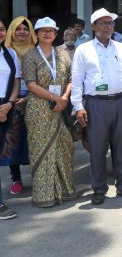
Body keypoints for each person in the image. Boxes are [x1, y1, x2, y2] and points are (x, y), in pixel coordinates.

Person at [71, 8, 122, 206]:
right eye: (104, 23)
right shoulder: (84, 49)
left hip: (121, 102)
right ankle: (98, 189)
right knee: (97, 148)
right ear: (94, 26)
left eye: (111, 23)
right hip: (96, 104)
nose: (108, 27)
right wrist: (78, 105)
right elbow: (77, 79)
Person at [22, 17, 76, 207]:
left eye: (51, 30)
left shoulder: (62, 55)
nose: (47, 33)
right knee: (41, 151)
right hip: (39, 109)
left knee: (64, 146)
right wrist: (56, 98)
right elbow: (31, 84)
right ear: (36, 34)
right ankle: (45, 196)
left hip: (61, 107)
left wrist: (65, 98)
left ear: (56, 34)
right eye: (42, 30)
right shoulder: (30, 56)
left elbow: (71, 78)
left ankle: (65, 191)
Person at [1, 16, 36, 195]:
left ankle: (38, 176)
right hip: (11, 100)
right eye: (18, 28)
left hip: (35, 99)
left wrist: (29, 97)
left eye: (26, 28)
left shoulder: (38, 50)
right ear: (11, 31)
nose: (22, 32)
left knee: (35, 139)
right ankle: (16, 178)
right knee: (12, 140)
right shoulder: (7, 51)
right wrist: (13, 101)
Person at [0, 18, 19, 219]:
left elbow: (16, 81)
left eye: (2, 29)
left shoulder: (10, 53)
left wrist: (9, 104)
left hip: (5, 106)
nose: (0, 32)